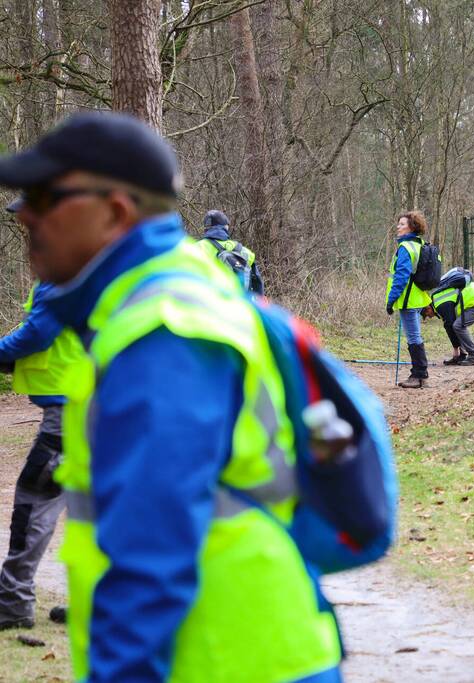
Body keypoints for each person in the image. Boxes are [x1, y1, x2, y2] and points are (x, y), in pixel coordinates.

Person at [0, 112, 343, 682]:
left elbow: (151, 561)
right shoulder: (165, 295)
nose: (25, 215)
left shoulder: (162, 331)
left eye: (46, 197)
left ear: (114, 211)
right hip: (234, 651)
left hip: (225, 660)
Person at [0, 198, 84, 632]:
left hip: (69, 410)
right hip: (100, 405)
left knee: (35, 503)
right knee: (93, 509)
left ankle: (12, 602)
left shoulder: (62, 267)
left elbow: (38, 332)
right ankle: (92, 601)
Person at [386, 210, 431, 389]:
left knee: (413, 337)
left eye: (402, 224)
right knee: (415, 336)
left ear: (412, 227)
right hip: (417, 298)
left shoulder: (405, 248)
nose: (398, 226)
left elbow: (401, 276)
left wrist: (391, 299)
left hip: (407, 299)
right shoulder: (419, 244)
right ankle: (420, 375)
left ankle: (419, 376)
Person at [426, 277, 474, 366]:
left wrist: (455, 348)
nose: (428, 317)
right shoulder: (437, 300)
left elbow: (449, 325)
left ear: (428, 308)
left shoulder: (439, 304)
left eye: (426, 314)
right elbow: (450, 325)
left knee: (458, 326)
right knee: (457, 325)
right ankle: (462, 355)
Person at [196, 209, 265, 294]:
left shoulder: (197, 248)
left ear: (206, 229)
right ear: (226, 227)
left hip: (208, 304)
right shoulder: (245, 252)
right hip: (239, 304)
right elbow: (258, 287)